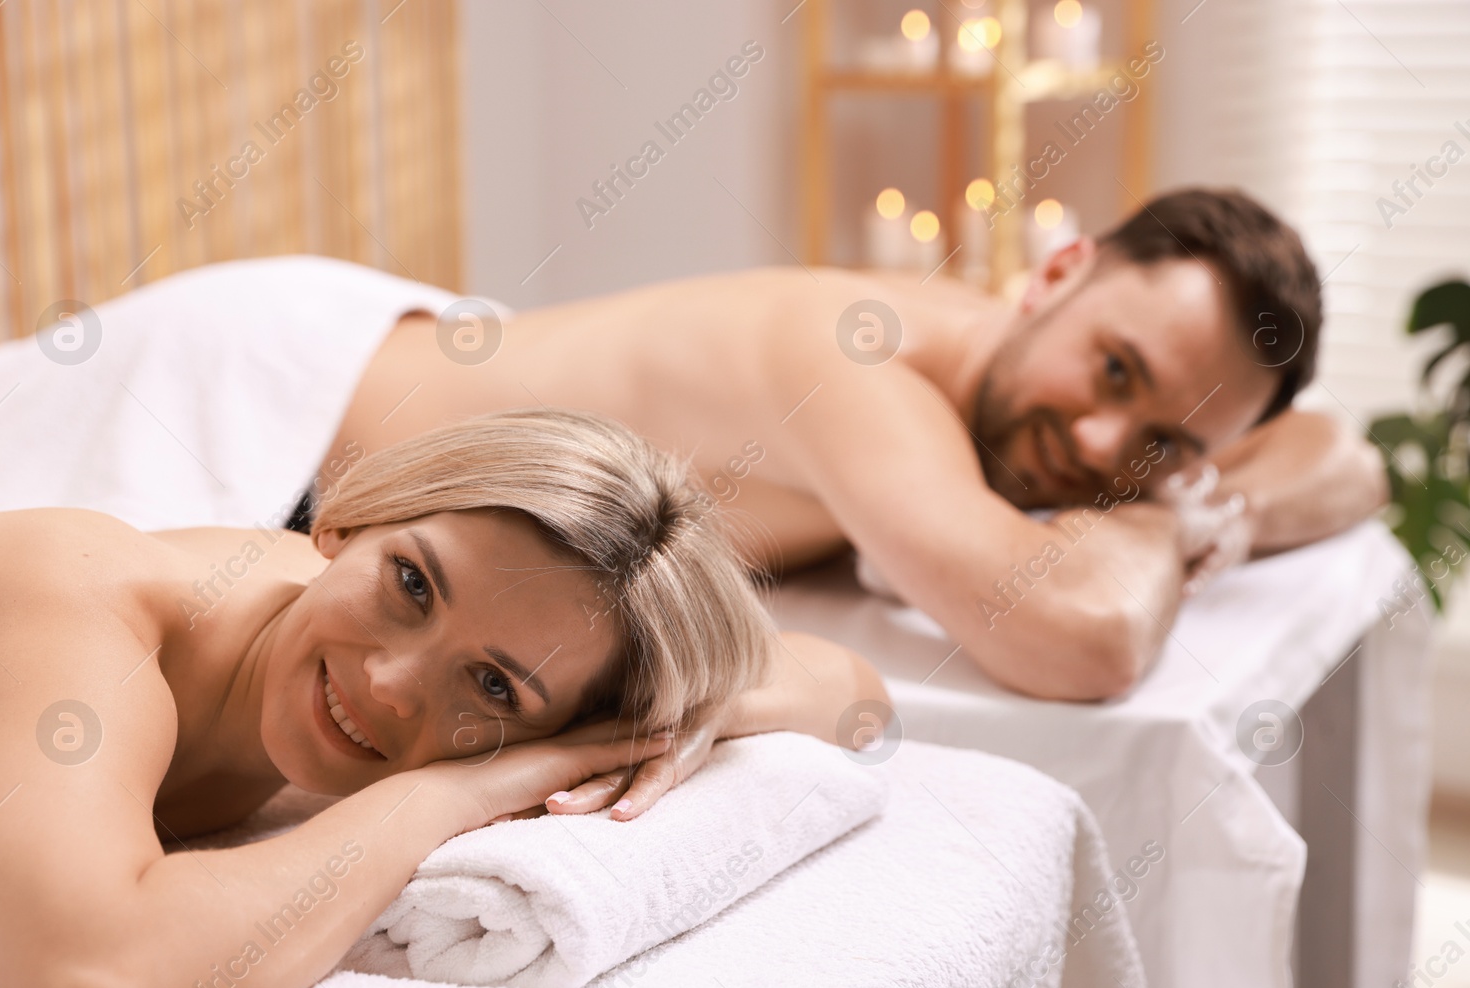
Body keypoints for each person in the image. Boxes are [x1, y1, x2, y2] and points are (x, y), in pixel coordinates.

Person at [0, 410, 879, 988]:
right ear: (348, 518)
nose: (390, 681)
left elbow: (850, 688)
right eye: (411, 583)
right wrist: (446, 794)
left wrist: (664, 720)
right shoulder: (72, 606)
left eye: (492, 680)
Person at [327, 187, 1387, 700]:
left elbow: (1347, 458)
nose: (1105, 439)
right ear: (1058, 275)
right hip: (300, 424)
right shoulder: (856, 361)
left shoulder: (1010, 400)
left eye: (1164, 440)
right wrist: (1168, 511)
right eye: (1115, 371)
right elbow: (1080, 634)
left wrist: (1190, 497)